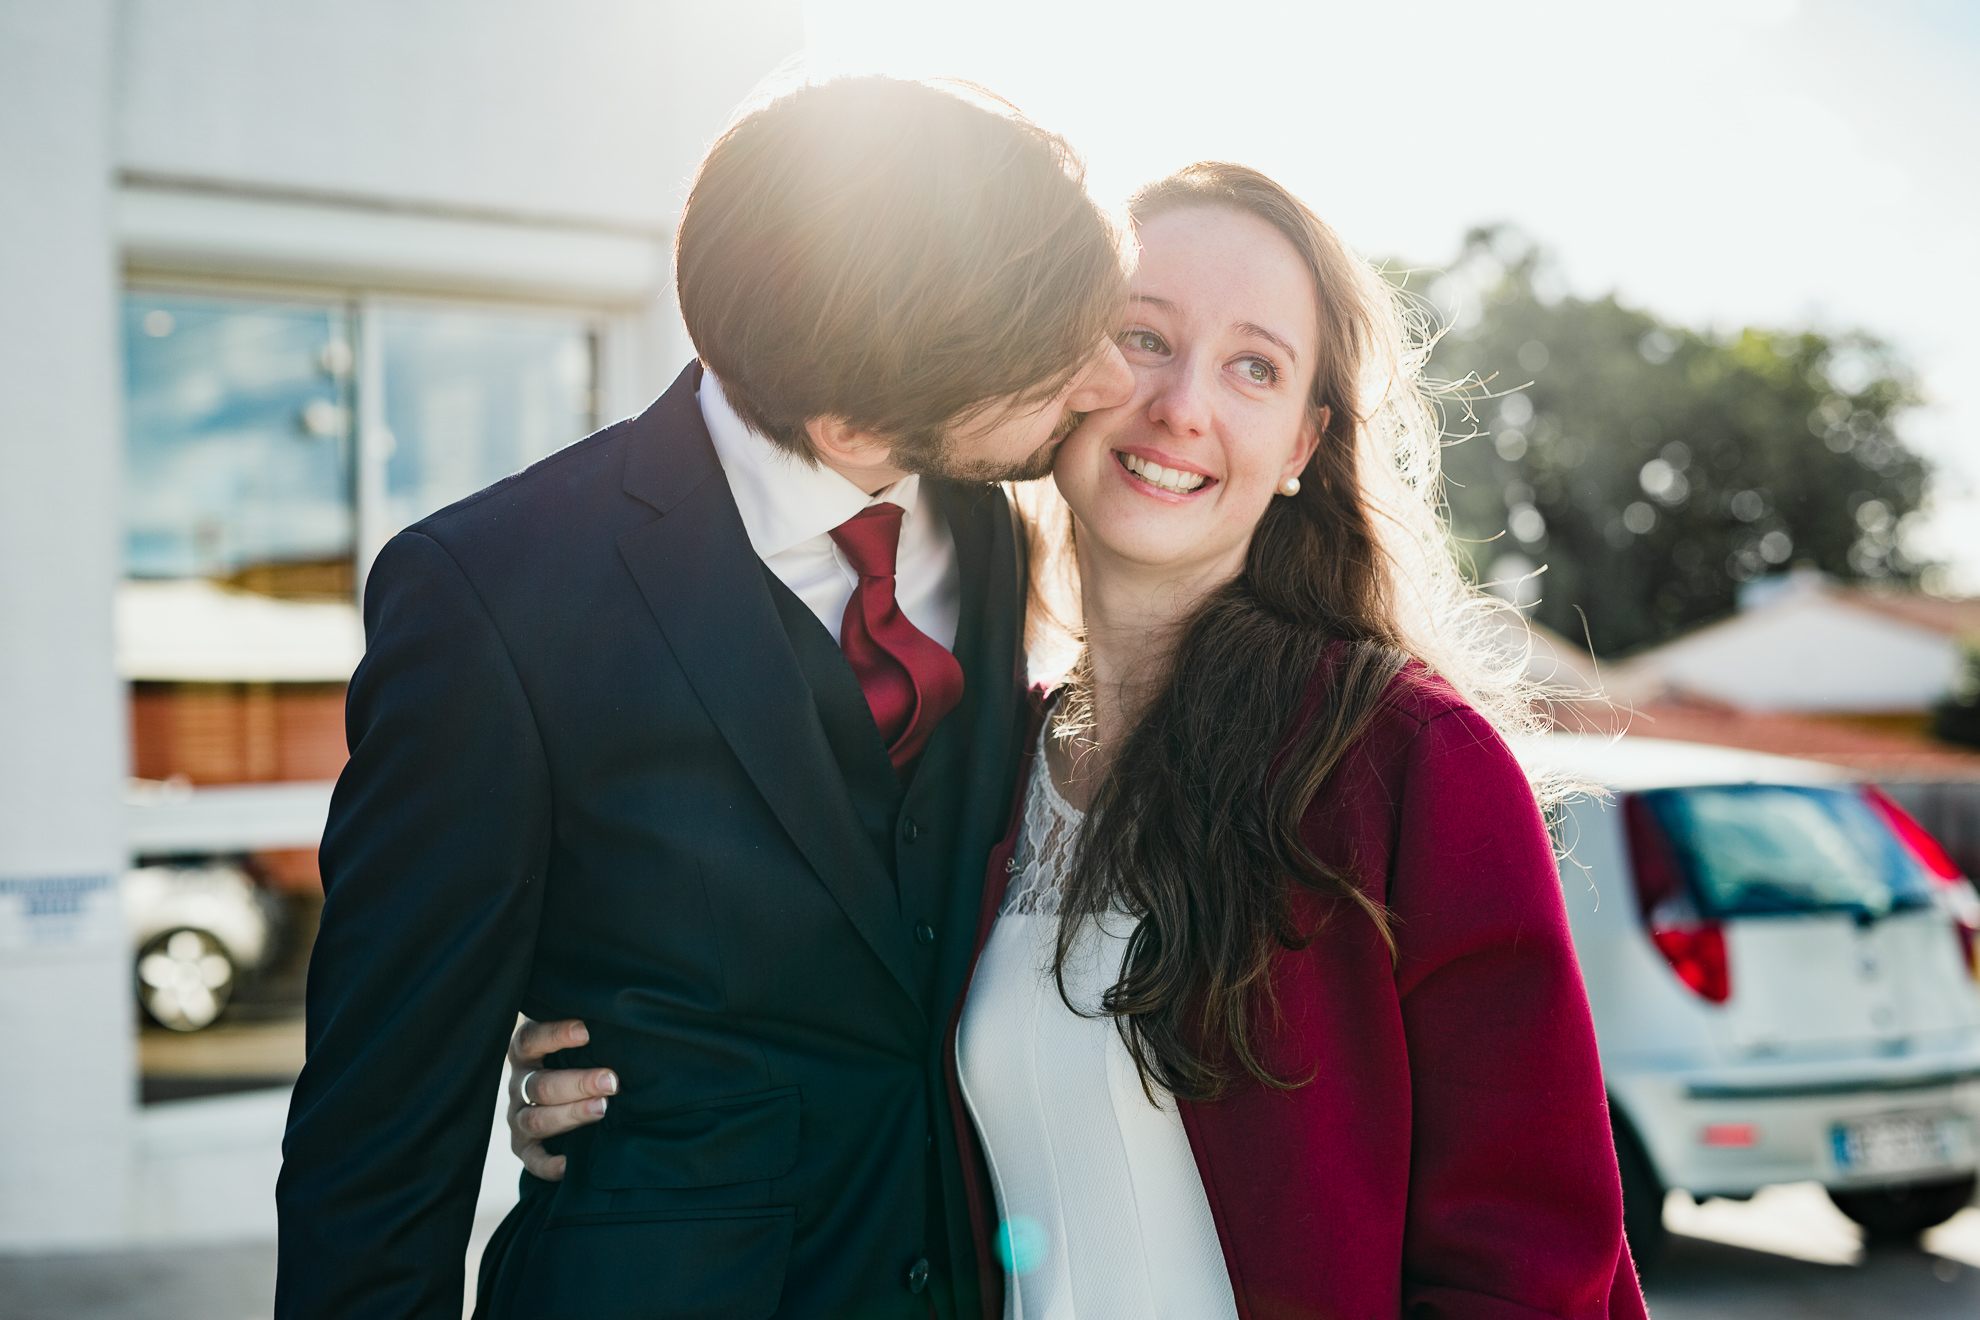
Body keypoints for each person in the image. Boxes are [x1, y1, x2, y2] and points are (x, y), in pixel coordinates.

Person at [516, 163, 1648, 1319]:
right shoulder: (981, 760)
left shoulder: (1406, 761)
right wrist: (618, 1093)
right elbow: (831, 1046)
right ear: (1063, 373)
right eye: (1143, 337)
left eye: (1254, 366)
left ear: (1306, 441)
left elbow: (1530, 1252)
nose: (1183, 405)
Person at [273, 76, 1132, 1320]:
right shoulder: (492, 600)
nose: (1105, 378)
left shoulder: (989, 530)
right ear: (853, 419)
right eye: (1054, 359)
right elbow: (382, 1128)